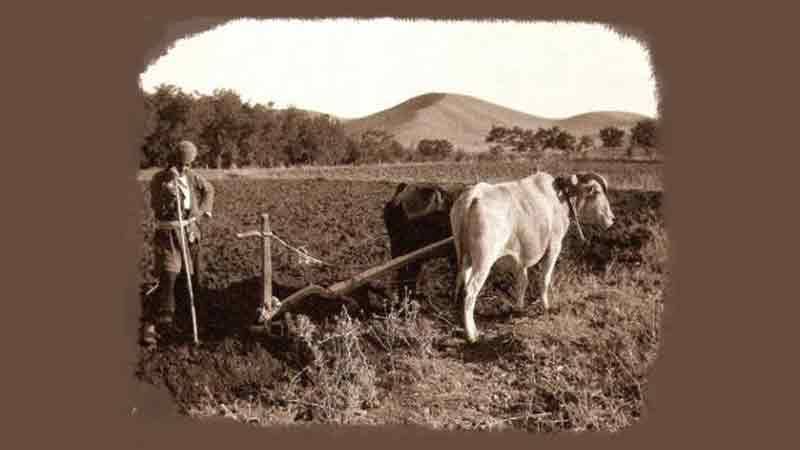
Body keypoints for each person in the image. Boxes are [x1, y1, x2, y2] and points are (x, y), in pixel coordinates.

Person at [142, 140, 214, 346]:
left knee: (192, 278)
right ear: (173, 160)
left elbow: (209, 189)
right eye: (181, 163)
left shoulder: (192, 176)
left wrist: (202, 212)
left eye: (188, 164)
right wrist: (167, 193)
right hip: (169, 236)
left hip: (190, 233)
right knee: (169, 277)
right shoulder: (159, 179)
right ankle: (155, 324)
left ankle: (188, 322)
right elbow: (157, 206)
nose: (184, 168)